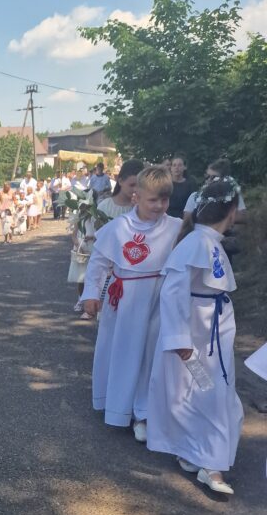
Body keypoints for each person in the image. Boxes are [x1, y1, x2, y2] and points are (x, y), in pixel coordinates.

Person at [147, 178, 243, 494]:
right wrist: (179, 340)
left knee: (208, 392)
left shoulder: (209, 242)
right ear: (231, 210)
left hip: (212, 333)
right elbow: (172, 293)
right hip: (197, 338)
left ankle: (195, 451)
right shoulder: (195, 244)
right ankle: (212, 465)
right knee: (207, 393)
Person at [82, 166, 182, 441]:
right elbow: (98, 263)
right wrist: (91, 294)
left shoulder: (175, 228)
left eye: (164, 200)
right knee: (122, 352)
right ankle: (117, 405)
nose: (159, 206)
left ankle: (144, 412)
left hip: (157, 302)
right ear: (136, 196)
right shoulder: (118, 228)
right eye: (153, 200)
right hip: (123, 302)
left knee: (149, 355)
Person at [166, 154, 197, 219]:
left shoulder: (191, 184)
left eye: (179, 165)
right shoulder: (165, 183)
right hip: (166, 217)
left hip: (183, 218)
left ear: (185, 167)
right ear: (171, 168)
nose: (176, 168)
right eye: (174, 165)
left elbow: (192, 205)